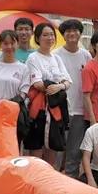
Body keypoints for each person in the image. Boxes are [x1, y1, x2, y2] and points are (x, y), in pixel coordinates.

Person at [25, 23, 73, 166]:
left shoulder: (56, 58)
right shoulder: (33, 58)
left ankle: (49, 177)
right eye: (45, 35)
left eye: (51, 34)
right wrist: (57, 86)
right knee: (37, 148)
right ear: (37, 38)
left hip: (56, 109)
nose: (49, 38)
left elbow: (68, 81)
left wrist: (59, 86)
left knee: (53, 145)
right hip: (39, 110)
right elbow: (37, 83)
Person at [55, 19, 92, 179]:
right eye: (68, 31)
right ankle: (54, 182)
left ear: (80, 33)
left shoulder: (86, 55)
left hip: (79, 109)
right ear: (63, 35)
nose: (72, 34)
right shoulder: (56, 55)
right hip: (60, 109)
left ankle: (72, 182)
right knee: (57, 150)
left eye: (75, 30)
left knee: (75, 151)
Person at [0, 29, 31, 110]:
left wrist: (9, 109)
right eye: (6, 43)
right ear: (0, 45)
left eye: (12, 43)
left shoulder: (24, 68)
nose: (9, 47)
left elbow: (23, 93)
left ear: (18, 44)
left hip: (14, 112)